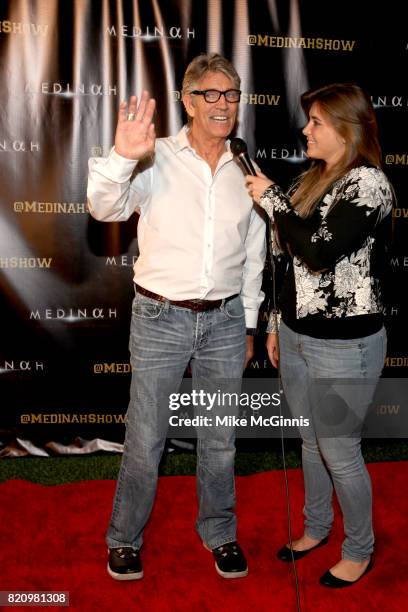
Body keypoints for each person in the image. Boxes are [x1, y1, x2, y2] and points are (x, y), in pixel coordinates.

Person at [87, 53, 266, 580]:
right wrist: (122, 156)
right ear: (187, 101)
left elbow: (253, 255)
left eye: (231, 94)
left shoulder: (247, 169)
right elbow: (104, 207)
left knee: (219, 436)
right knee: (146, 438)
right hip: (161, 318)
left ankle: (219, 532)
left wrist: (251, 322)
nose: (223, 104)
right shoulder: (155, 157)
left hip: (227, 323)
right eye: (210, 94)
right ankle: (123, 538)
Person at [246, 83, 394, 588]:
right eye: (308, 121)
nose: (305, 130)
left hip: (345, 345)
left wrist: (270, 199)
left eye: (316, 122)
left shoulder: (367, 185)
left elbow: (318, 251)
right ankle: (316, 527)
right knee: (310, 441)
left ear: (347, 129)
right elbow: (286, 265)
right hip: (295, 335)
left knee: (338, 449)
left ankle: (360, 548)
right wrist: (273, 323)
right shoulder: (311, 180)